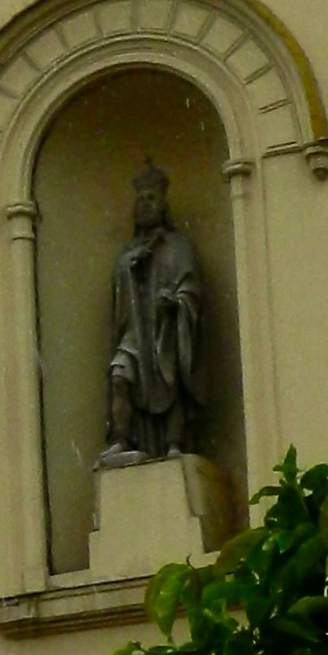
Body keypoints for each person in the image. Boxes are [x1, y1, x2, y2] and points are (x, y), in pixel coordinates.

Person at [102, 160, 204, 462]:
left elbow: (192, 290)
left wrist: (175, 302)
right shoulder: (128, 253)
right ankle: (122, 438)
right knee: (119, 376)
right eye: (141, 199)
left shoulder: (179, 247)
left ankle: (175, 443)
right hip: (136, 331)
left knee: (171, 374)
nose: (145, 205)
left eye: (151, 198)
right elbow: (118, 291)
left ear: (163, 204)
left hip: (166, 329)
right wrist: (132, 267)